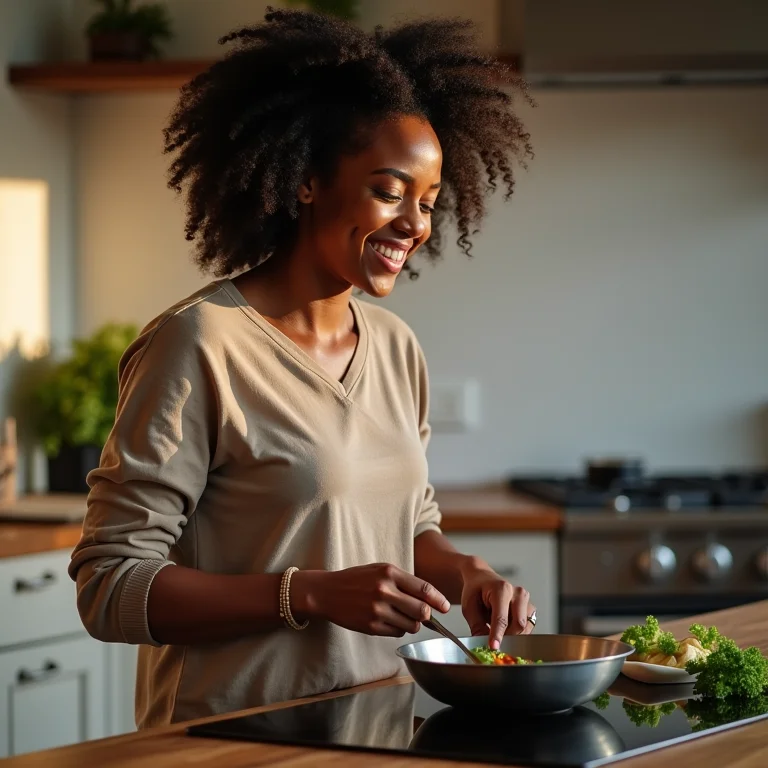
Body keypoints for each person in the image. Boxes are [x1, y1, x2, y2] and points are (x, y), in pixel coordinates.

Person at [68, 8, 535, 729]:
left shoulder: (396, 347)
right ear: (309, 180)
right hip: (231, 742)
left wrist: (465, 570)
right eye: (389, 191)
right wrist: (306, 594)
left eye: (428, 203)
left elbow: (407, 526)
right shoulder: (199, 344)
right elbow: (109, 586)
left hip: (376, 729)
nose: (415, 224)